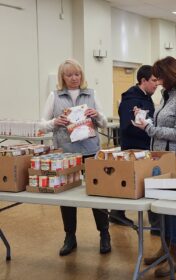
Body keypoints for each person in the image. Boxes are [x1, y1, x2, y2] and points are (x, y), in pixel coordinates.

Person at [132, 56, 176, 277]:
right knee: (163, 208)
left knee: (174, 209)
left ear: (169, 75)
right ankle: (165, 247)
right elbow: (163, 123)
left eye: (159, 77)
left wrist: (149, 129)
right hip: (161, 160)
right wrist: (146, 120)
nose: (157, 82)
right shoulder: (168, 96)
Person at [41, 59, 111, 256]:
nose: (74, 78)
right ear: (62, 78)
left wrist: (96, 114)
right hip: (66, 154)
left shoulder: (91, 94)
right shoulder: (54, 96)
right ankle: (70, 236)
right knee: (67, 197)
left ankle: (104, 234)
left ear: (82, 76)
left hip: (90, 151)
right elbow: (42, 123)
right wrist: (55, 121)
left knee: (97, 193)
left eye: (77, 74)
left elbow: (104, 123)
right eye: (69, 75)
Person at [109, 65, 157, 226]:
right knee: (131, 181)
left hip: (144, 145)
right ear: (143, 80)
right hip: (134, 147)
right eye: (153, 80)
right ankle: (117, 213)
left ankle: (117, 212)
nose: (156, 84)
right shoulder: (131, 99)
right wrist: (148, 128)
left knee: (137, 181)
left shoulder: (146, 96)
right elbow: (126, 126)